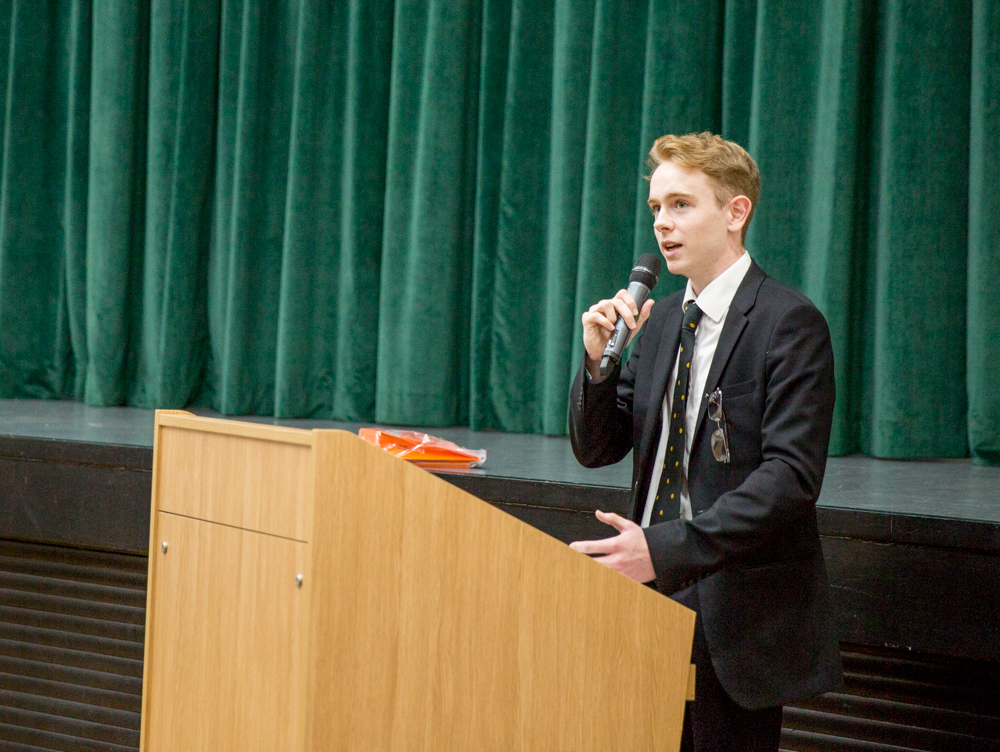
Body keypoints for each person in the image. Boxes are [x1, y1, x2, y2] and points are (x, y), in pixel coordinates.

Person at [568, 132, 842, 751]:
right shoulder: (662, 319)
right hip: (648, 597)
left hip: (733, 613)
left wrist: (666, 549)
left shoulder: (788, 323)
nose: (663, 224)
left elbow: (789, 480)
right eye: (657, 208)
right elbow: (599, 447)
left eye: (682, 205)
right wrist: (597, 366)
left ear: (736, 212)